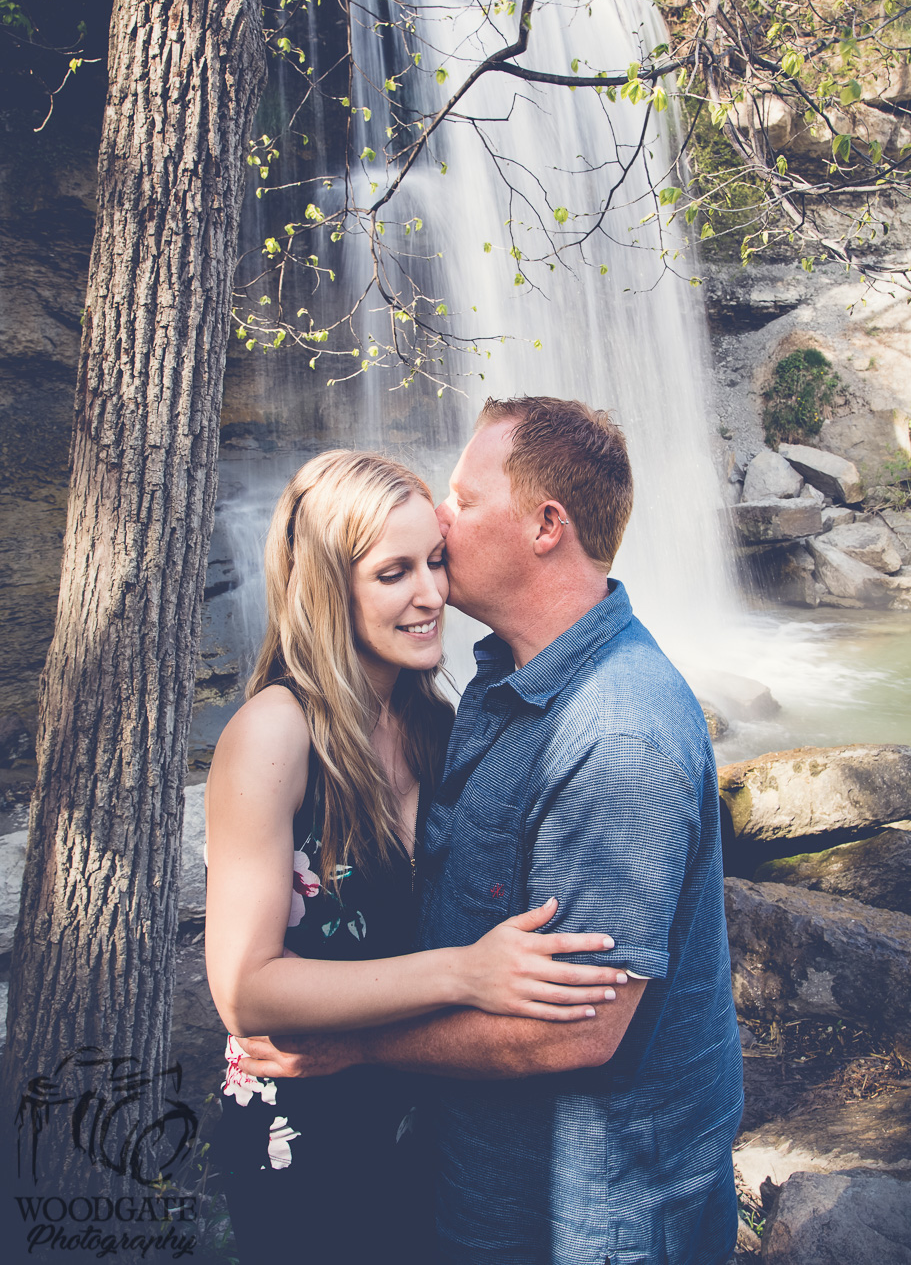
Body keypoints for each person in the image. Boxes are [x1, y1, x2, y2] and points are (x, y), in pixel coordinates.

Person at [237, 400, 745, 1265]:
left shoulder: (616, 735)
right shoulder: (494, 687)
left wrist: (353, 1047)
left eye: (464, 501)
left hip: (592, 1212)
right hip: (475, 1180)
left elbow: (579, 1029)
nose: (442, 515)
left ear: (546, 525)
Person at [203, 448, 626, 1263]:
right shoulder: (274, 734)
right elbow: (243, 991)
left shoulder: (436, 724)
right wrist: (465, 972)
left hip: (422, 1113)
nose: (431, 594)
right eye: (394, 572)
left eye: (434, 561)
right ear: (330, 587)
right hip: (303, 1132)